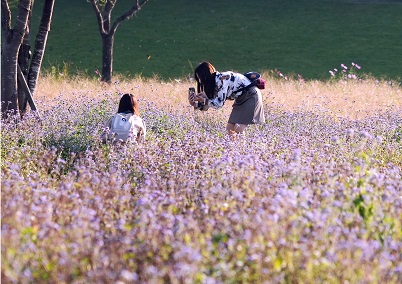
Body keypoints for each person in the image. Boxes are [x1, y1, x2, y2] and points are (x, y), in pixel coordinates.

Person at [189, 61, 265, 135]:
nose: (200, 81)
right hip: (240, 98)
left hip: (251, 96)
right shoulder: (214, 83)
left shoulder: (222, 79)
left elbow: (218, 104)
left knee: (238, 129)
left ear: (206, 75)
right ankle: (233, 147)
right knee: (230, 129)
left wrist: (204, 100)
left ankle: (241, 147)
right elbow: (207, 106)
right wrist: (194, 103)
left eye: (200, 78)